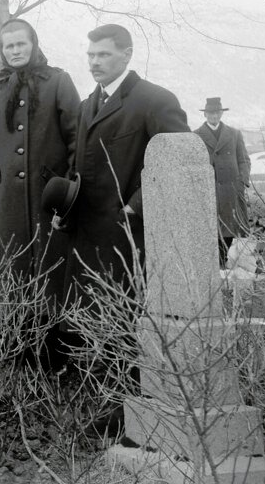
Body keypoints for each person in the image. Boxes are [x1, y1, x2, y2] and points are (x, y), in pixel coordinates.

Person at [65, 23, 189, 292]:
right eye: (91, 55)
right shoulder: (87, 106)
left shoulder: (155, 100)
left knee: (124, 325)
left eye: (104, 55)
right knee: (86, 327)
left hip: (130, 236)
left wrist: (134, 207)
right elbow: (79, 164)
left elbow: (182, 163)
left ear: (127, 54)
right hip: (87, 237)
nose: (94, 62)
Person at [0, 18, 80, 284]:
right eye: (9, 46)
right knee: (10, 275)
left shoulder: (57, 81)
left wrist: (70, 195)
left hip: (49, 199)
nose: (15, 51)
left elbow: (77, 139)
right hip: (4, 200)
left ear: (33, 45)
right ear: (1, 50)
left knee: (51, 275)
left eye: (21, 44)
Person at [194, 97, 250, 265]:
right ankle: (217, 263)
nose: (214, 116)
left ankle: (223, 261)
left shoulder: (234, 134)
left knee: (230, 227)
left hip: (231, 189)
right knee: (212, 227)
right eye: (210, 113)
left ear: (221, 113)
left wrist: (242, 183)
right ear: (205, 114)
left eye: (217, 112)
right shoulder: (195, 136)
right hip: (209, 189)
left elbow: (244, 160)